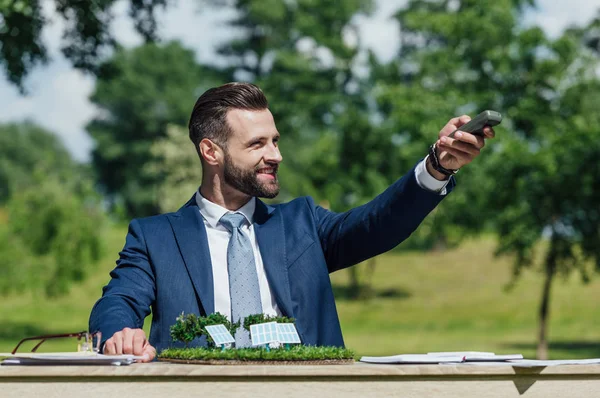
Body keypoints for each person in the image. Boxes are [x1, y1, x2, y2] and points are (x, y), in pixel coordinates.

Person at [89, 82, 494, 362]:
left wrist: (436, 168)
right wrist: (120, 333)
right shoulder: (155, 237)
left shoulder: (304, 225)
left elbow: (377, 224)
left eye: (275, 140)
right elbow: (117, 303)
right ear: (211, 152)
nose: (276, 155)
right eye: (257, 144)